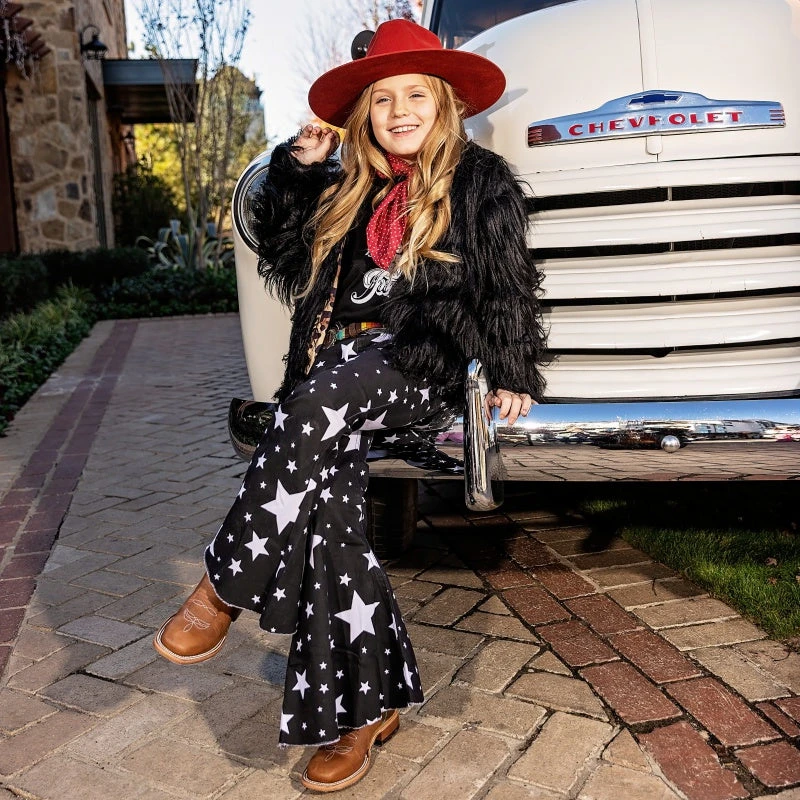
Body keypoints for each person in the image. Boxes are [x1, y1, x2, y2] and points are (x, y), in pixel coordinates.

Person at [153, 18, 547, 793]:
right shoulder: (352, 189)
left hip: (418, 356)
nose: (400, 111)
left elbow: (507, 281)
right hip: (336, 363)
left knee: (311, 411)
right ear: (365, 114)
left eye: (416, 96)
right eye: (383, 99)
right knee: (331, 522)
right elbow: (281, 256)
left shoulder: (479, 181)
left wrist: (510, 368)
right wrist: (297, 171)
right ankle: (368, 710)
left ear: (444, 104)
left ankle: (224, 582)